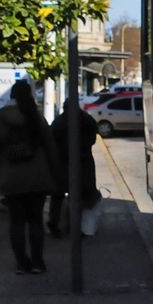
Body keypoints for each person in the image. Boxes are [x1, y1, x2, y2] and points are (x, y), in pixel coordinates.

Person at [0, 80, 60, 274]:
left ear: (11, 96)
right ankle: (37, 262)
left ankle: (21, 263)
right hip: (37, 178)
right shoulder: (36, 118)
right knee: (36, 220)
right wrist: (54, 176)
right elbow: (51, 148)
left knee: (16, 223)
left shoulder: (0, 121)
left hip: (10, 179)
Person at [47, 97, 101, 236]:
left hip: (63, 164)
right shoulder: (86, 119)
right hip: (83, 164)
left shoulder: (59, 122)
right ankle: (77, 227)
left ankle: (55, 225)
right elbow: (93, 136)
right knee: (80, 196)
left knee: (58, 196)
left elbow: (51, 142)